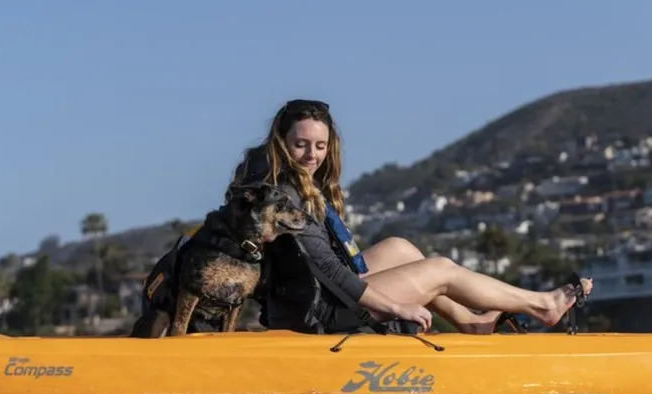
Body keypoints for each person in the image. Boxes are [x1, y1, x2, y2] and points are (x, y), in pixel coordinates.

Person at [226, 99, 593, 334]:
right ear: (281, 142)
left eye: (320, 146)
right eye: (301, 144)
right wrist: (396, 307)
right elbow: (329, 270)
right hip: (314, 312)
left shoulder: (281, 182)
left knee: (400, 248)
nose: (311, 155)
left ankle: (469, 321)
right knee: (442, 270)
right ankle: (542, 305)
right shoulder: (284, 198)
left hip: (308, 295)